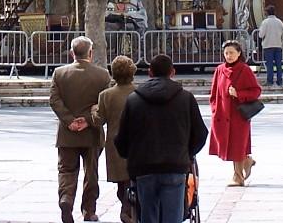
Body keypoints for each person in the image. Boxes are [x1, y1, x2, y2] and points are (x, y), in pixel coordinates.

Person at [114, 53, 208, 223]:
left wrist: (132, 155)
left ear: (149, 73)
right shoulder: (186, 98)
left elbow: (122, 138)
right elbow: (201, 134)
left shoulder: (134, 100)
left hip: (144, 167)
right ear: (172, 72)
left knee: (147, 215)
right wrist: (186, 153)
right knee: (173, 216)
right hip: (175, 165)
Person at [50, 36, 112, 223]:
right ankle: (89, 210)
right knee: (91, 172)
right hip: (91, 133)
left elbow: (54, 100)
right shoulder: (102, 75)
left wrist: (69, 121)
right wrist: (87, 120)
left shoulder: (59, 73)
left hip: (67, 133)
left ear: (72, 53)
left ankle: (66, 198)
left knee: (67, 170)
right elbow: (104, 104)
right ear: (90, 53)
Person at [208, 39, 262, 186]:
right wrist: (214, 109)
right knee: (229, 145)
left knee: (236, 145)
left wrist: (239, 94)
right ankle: (246, 161)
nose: (229, 56)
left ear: (239, 53)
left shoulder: (244, 70)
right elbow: (213, 93)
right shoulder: (219, 70)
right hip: (222, 114)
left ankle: (238, 176)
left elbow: (256, 91)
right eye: (226, 53)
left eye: (232, 52)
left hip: (238, 114)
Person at [91, 55, 137, 223]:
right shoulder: (138, 92)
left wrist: (93, 111)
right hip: (137, 143)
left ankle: (126, 208)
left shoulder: (106, 95)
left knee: (121, 182)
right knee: (135, 178)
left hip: (115, 143)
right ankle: (130, 209)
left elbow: (99, 121)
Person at [258, 4, 283, 87]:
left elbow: (261, 34)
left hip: (268, 46)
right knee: (278, 64)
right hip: (278, 45)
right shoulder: (279, 21)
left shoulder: (265, 22)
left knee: (269, 65)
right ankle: (279, 81)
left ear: (267, 13)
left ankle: (270, 81)